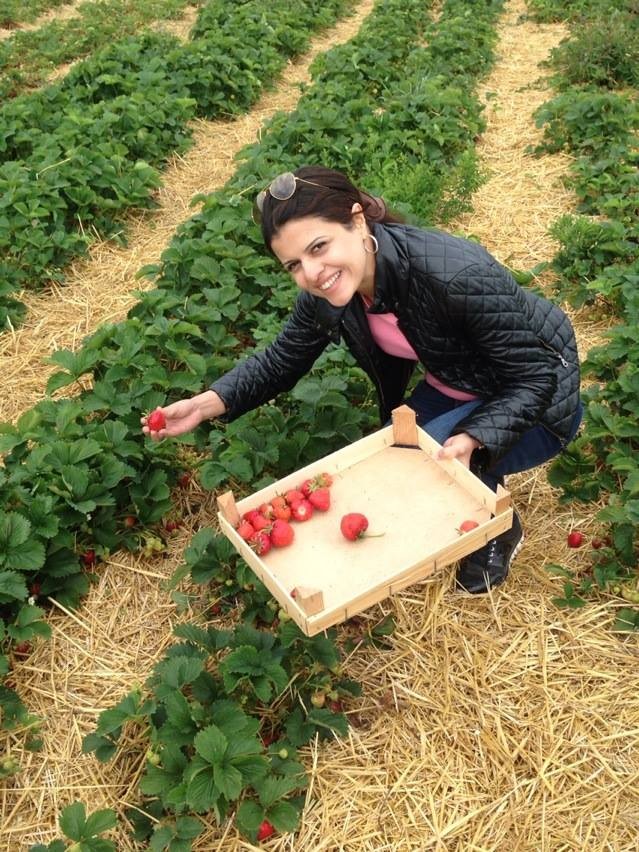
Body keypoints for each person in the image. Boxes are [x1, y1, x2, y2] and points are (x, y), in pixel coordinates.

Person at [142, 166, 582, 594]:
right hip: (458, 381)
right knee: (395, 467)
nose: (311, 273)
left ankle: (497, 528)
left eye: (319, 247)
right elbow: (281, 360)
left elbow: (533, 377)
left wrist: (476, 436)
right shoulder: (333, 291)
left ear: (357, 219)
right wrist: (205, 404)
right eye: (293, 264)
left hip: (540, 396)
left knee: (430, 473)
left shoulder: (455, 274)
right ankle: (476, 471)